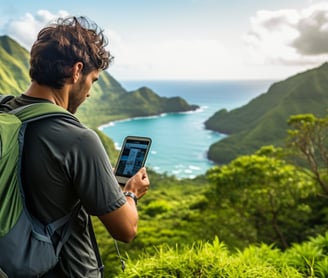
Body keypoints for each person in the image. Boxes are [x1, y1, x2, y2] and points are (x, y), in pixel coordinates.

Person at [3, 16, 150, 277]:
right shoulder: (79, 139)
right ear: (76, 71)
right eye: (93, 80)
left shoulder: (5, 112)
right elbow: (125, 229)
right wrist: (131, 193)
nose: (90, 92)